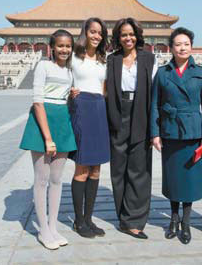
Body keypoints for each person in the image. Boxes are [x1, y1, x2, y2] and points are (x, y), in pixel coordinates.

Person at [151, 27, 202, 244]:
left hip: (193, 134)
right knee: (173, 179)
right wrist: (155, 134)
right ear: (171, 48)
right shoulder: (162, 73)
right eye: (178, 44)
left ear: (191, 46)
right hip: (170, 131)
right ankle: (173, 220)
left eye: (186, 43)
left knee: (189, 180)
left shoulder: (201, 72)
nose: (182, 47)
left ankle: (186, 223)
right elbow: (154, 106)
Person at [19, 29, 77, 250]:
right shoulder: (43, 66)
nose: (64, 50)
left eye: (68, 46)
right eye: (60, 45)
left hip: (62, 121)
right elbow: (38, 101)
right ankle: (43, 229)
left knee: (57, 179)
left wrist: (73, 94)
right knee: (41, 179)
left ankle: (53, 227)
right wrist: (48, 138)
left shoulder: (69, 71)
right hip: (42, 123)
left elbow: (63, 97)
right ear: (52, 47)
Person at [106, 17, 157, 239]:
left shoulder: (149, 58)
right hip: (117, 112)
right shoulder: (112, 59)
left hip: (141, 112)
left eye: (131, 34)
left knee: (139, 169)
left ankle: (135, 220)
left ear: (138, 36)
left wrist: (156, 126)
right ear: (118, 37)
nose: (128, 38)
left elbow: (156, 92)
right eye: (124, 34)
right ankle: (122, 217)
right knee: (118, 169)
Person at [68, 17, 110, 238]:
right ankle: (78, 220)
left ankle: (89, 219)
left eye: (100, 33)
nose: (96, 36)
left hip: (99, 109)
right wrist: (70, 93)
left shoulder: (104, 59)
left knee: (96, 169)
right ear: (85, 32)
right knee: (83, 167)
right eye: (93, 31)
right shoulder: (74, 56)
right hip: (82, 108)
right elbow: (63, 82)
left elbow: (104, 88)